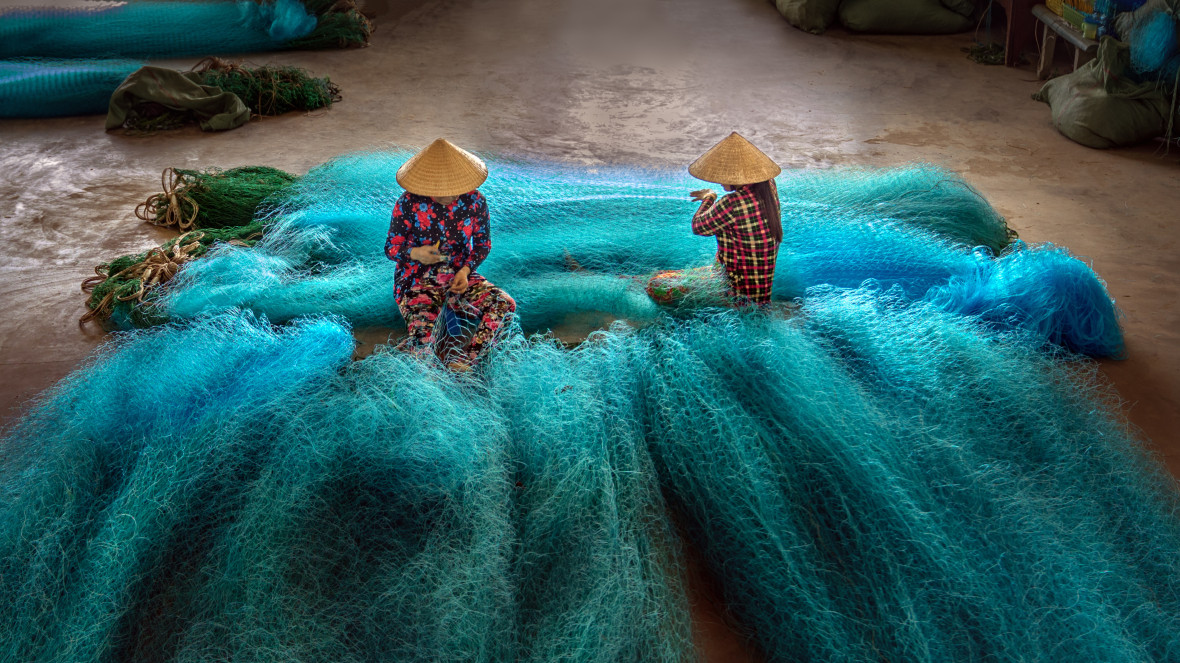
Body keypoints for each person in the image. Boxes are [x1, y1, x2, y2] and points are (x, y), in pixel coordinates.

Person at [385, 138, 516, 371]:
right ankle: (421, 344)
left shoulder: (474, 200)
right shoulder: (408, 203)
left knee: (504, 304)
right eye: (444, 192)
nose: (452, 197)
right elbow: (391, 248)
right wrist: (416, 253)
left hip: (458, 278)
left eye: (457, 190)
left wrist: (465, 271)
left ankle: (466, 359)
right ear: (428, 185)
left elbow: (482, 245)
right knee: (423, 343)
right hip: (416, 280)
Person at [681, 131, 783, 306]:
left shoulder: (733, 203)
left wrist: (709, 198)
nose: (719, 181)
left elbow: (697, 227)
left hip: (738, 292)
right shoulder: (769, 185)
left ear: (736, 178)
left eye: (723, 176)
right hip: (761, 287)